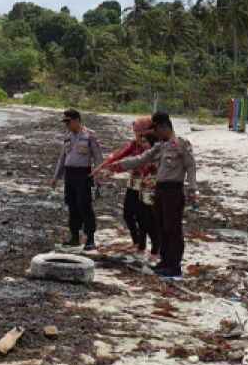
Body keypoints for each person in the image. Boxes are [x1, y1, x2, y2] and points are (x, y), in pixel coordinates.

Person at [108, 112, 196, 277]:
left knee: (173, 228)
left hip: (173, 190)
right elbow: (141, 159)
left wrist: (192, 188)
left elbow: (191, 166)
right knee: (160, 226)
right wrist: (118, 165)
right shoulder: (160, 146)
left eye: (157, 130)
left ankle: (174, 264)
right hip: (159, 190)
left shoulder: (182, 144)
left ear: (164, 126)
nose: (156, 134)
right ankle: (165, 261)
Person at [92, 117, 158, 260]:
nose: (137, 135)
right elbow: (120, 156)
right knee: (128, 214)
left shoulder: (153, 145)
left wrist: (111, 169)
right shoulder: (134, 143)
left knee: (145, 217)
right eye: (135, 132)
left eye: (140, 132)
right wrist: (104, 167)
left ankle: (148, 247)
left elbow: (137, 161)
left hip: (147, 185)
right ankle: (137, 242)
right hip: (133, 182)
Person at [48, 108, 103, 250]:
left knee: (84, 206)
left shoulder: (90, 136)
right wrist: (56, 177)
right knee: (72, 205)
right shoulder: (67, 137)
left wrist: (98, 177)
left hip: (83, 174)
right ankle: (74, 236)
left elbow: (98, 158)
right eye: (65, 122)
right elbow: (62, 158)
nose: (67, 125)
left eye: (69, 122)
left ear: (78, 120)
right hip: (70, 174)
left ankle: (90, 238)